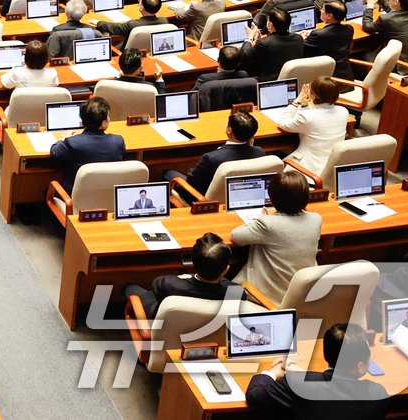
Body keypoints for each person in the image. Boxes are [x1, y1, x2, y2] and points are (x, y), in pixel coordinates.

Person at [246, 323, 385, 420]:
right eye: (369, 354)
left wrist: (272, 373)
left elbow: (255, 395)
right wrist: (303, 374)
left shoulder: (298, 385)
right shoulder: (377, 395)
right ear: (360, 366)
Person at [231, 170, 323, 302]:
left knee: (227, 291)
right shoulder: (316, 219)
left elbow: (236, 236)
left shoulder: (267, 224)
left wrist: (261, 220)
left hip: (267, 296)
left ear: (272, 197)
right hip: (302, 292)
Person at [122, 232, 244, 320]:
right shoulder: (236, 293)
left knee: (129, 288)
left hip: (162, 326)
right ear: (226, 270)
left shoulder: (168, 285)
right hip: (205, 334)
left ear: (193, 262)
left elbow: (156, 285)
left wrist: (185, 278)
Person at [167, 112, 264, 194]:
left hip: (204, 196)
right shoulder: (260, 153)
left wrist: (190, 171)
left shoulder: (211, 158)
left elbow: (193, 180)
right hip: (243, 193)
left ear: (229, 130)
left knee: (168, 173)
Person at [49, 97, 125, 191]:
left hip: (75, 197)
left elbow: (55, 152)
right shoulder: (118, 141)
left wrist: (64, 138)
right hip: (107, 194)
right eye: (108, 117)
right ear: (103, 123)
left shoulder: (73, 143)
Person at [240, 8, 304, 83]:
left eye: (267, 19)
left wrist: (249, 38)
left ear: (270, 25)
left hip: (268, 81)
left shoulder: (265, 43)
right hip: (291, 79)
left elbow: (245, 56)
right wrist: (258, 41)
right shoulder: (298, 38)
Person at [304, 0, 355, 80]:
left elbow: (302, 49)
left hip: (327, 81)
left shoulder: (318, 34)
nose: (320, 10)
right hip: (346, 77)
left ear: (329, 16)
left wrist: (302, 37)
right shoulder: (349, 29)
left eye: (323, 9)